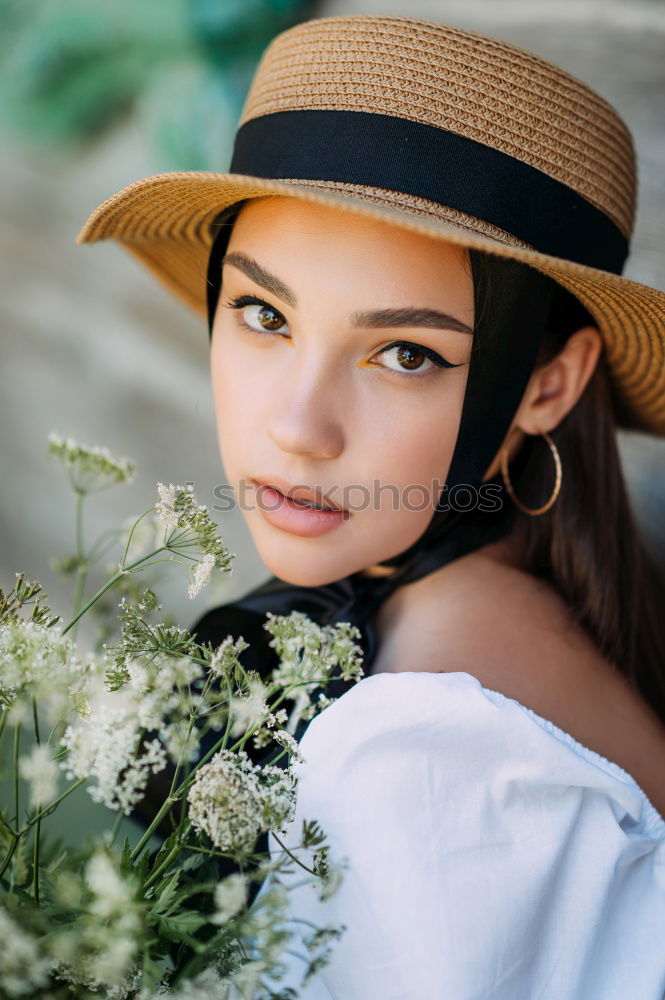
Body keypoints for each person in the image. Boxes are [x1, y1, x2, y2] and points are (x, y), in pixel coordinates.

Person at [78, 14, 665, 998]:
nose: (298, 428)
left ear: (547, 387)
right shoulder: (501, 609)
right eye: (263, 314)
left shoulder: (422, 753)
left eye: (405, 354)